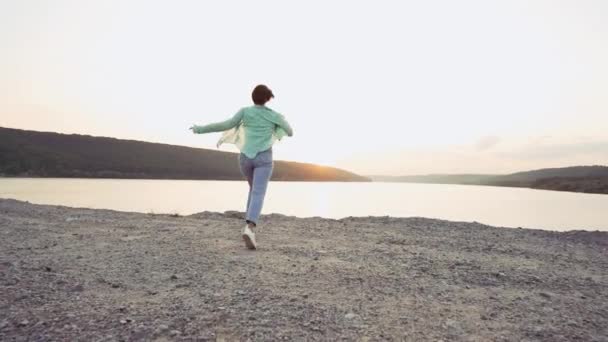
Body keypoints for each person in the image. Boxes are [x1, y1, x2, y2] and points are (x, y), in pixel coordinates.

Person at [189, 85, 293, 250]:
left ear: (253, 97)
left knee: (253, 190)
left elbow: (225, 124)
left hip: (245, 158)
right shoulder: (274, 115)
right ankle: (249, 228)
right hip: (264, 158)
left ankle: (248, 227)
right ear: (267, 99)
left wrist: (199, 129)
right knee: (258, 192)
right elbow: (290, 132)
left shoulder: (244, 112)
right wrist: (277, 125)